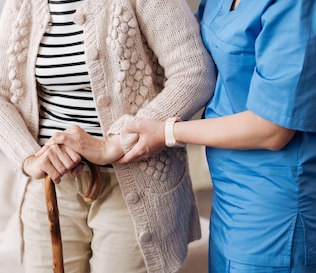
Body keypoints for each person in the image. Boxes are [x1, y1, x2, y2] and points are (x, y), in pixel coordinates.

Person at [55, 0, 315, 272]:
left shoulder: (294, 5)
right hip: (229, 192)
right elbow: (181, 44)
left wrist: (167, 131)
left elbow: (272, 129)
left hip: (277, 197)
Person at [0, 0, 216, 272]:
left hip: (133, 182)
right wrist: (29, 157)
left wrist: (117, 142)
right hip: (52, 188)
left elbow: (195, 73)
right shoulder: (22, 4)